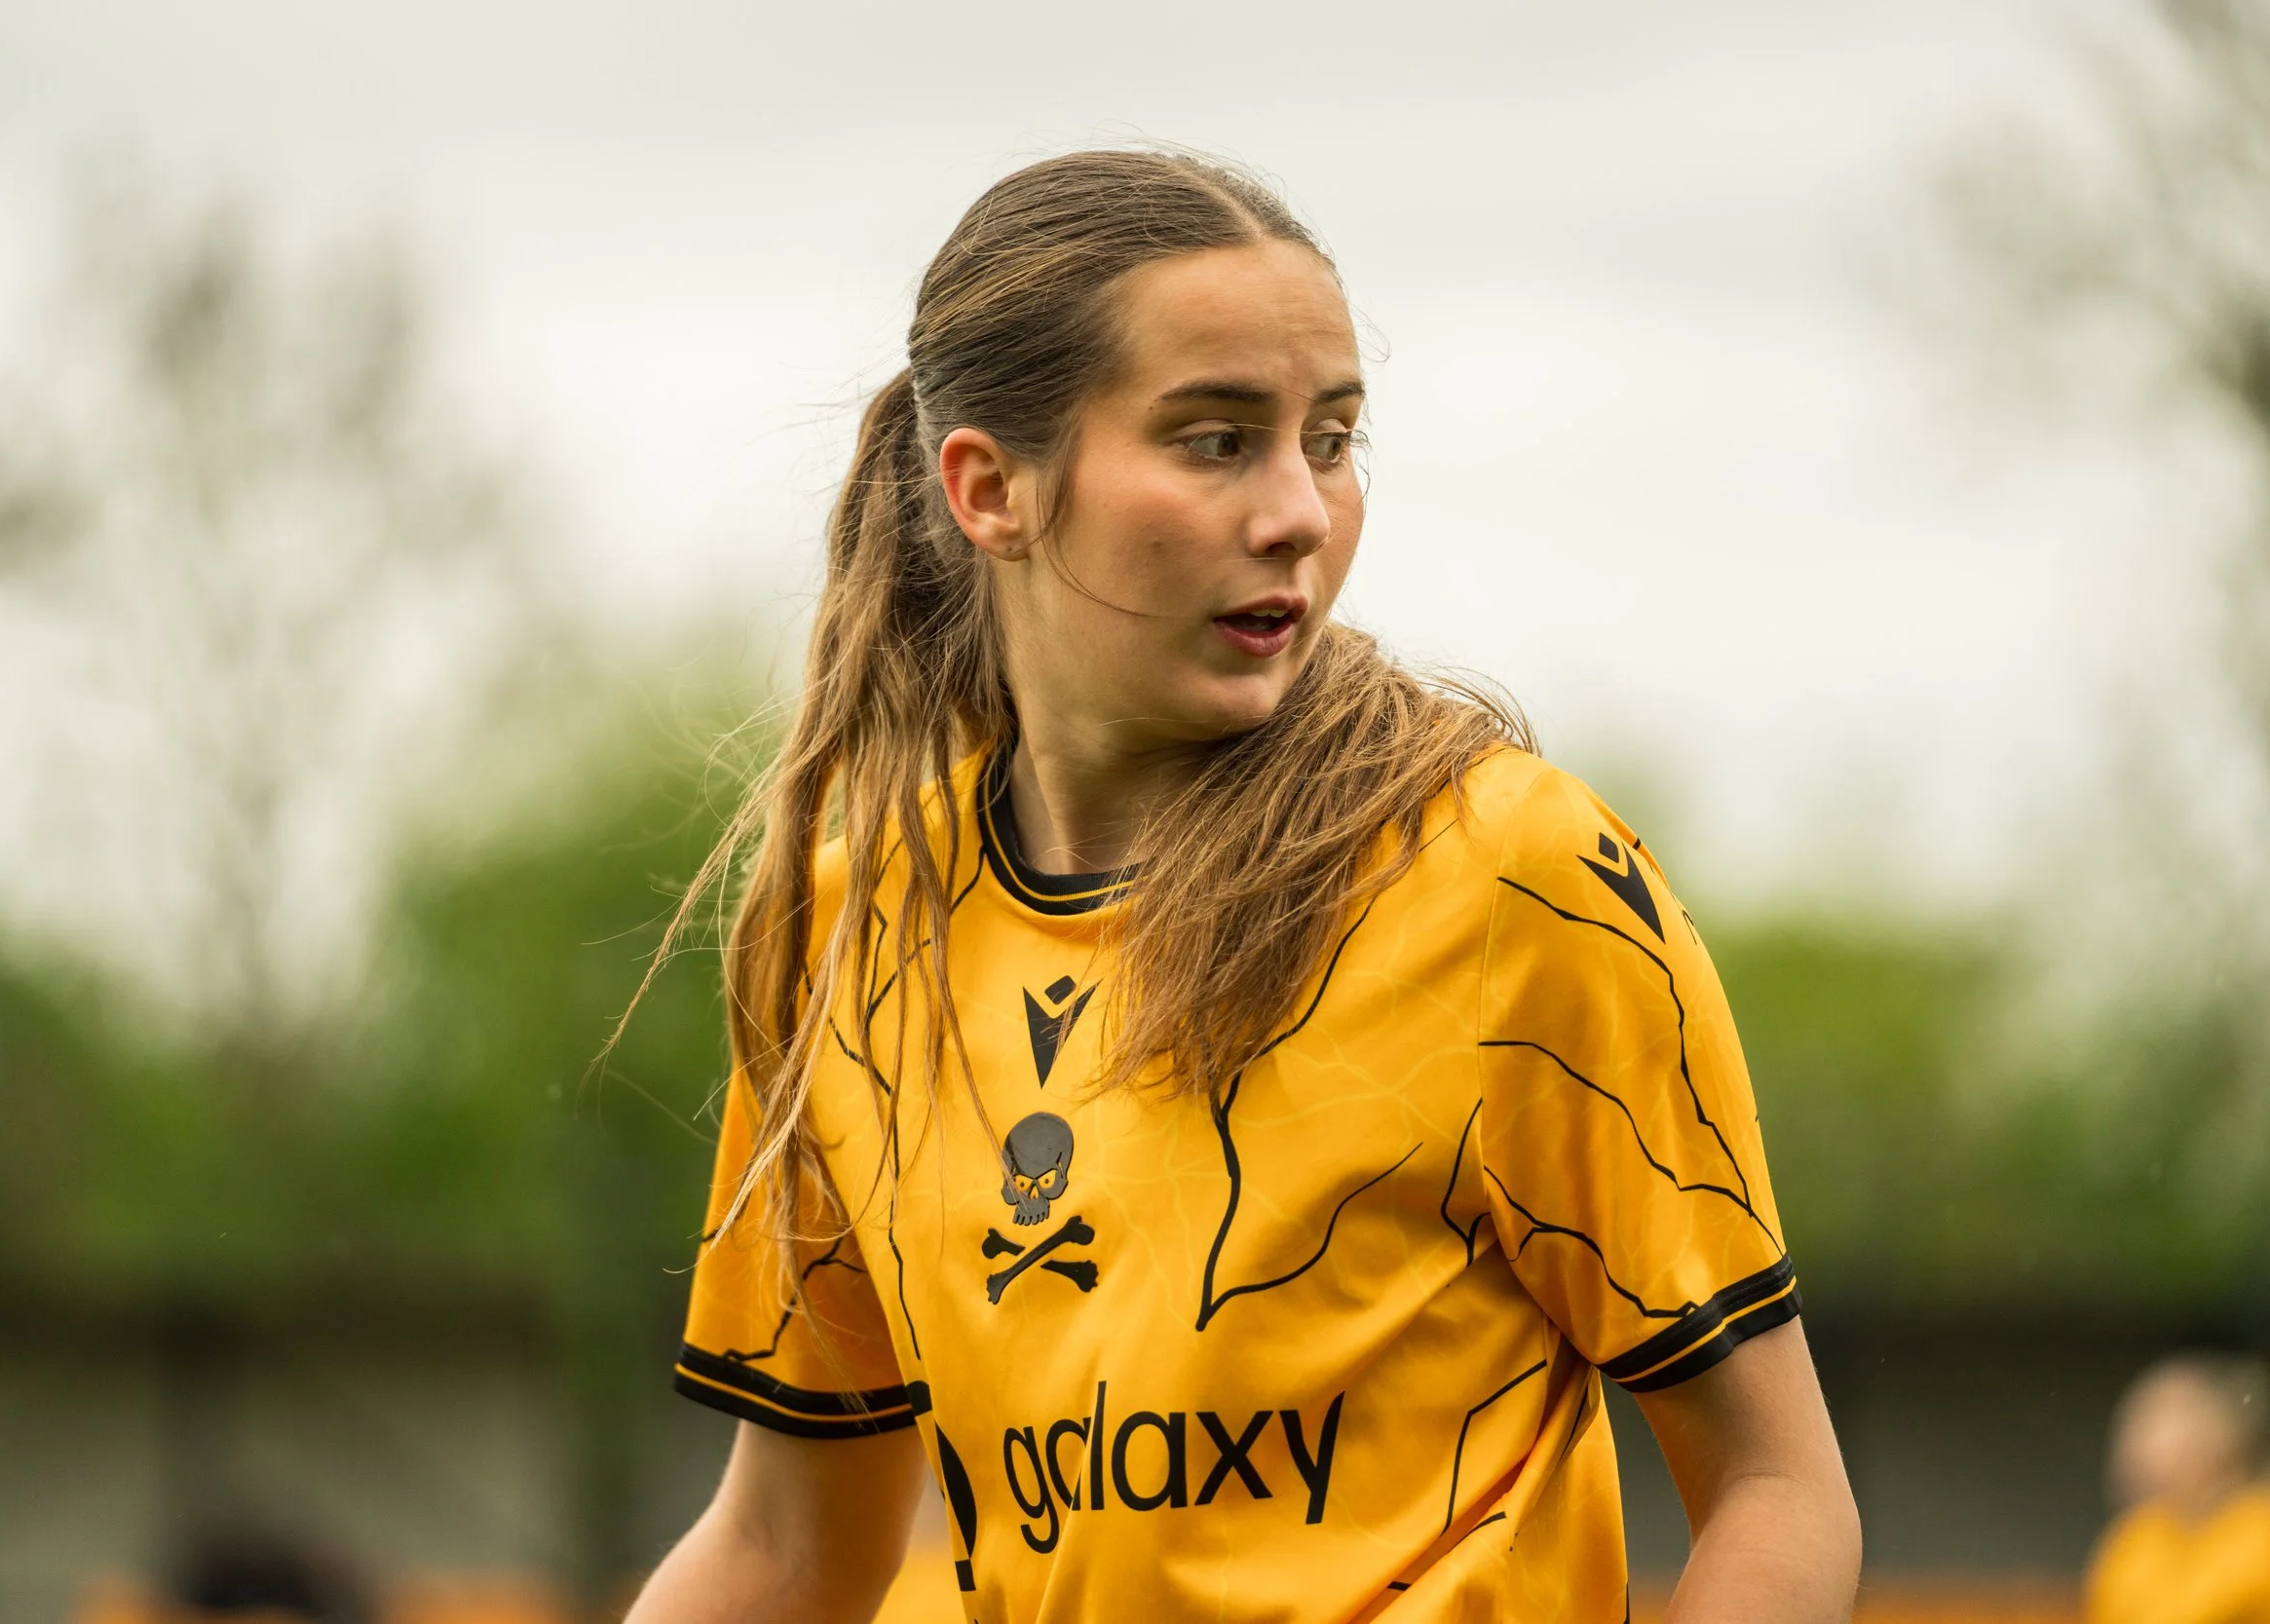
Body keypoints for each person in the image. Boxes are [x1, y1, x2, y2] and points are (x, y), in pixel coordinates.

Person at [624, 148, 1859, 1623]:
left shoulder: (1511, 876)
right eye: (1216, 441)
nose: (1299, 511)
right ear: (990, 488)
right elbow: (784, 1547)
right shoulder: (853, 931)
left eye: (1330, 440)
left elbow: (1778, 1487)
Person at [2086, 1353, 2270, 1624]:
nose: (2133, 1440)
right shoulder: (2135, 1542)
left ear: (2225, 1434)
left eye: (2155, 1420)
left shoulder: (2258, 1534)